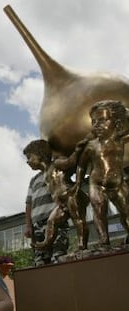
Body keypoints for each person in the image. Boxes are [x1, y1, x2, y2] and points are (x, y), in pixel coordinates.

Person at [65, 100, 129, 246]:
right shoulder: (91, 146)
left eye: (102, 120)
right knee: (99, 213)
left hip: (118, 183)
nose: (97, 125)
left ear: (115, 122)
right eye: (94, 122)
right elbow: (81, 166)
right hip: (97, 184)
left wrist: (124, 112)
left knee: (126, 211)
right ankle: (103, 241)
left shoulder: (119, 139)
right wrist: (78, 183)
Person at [23, 140, 69, 266]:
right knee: (41, 260)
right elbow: (28, 204)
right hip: (37, 224)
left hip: (55, 220)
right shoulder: (34, 180)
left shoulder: (56, 170)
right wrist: (28, 225)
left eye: (29, 157)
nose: (27, 161)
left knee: (58, 255)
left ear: (40, 154)